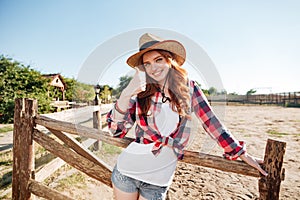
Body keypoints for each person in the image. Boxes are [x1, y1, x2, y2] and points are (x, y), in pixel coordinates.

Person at [106, 33, 267, 200]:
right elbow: (116, 131)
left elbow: (211, 123)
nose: (153, 67)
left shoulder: (188, 89)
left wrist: (240, 152)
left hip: (158, 182)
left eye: (158, 60)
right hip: (127, 173)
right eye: (147, 64)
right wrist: (125, 94)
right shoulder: (140, 94)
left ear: (169, 60)